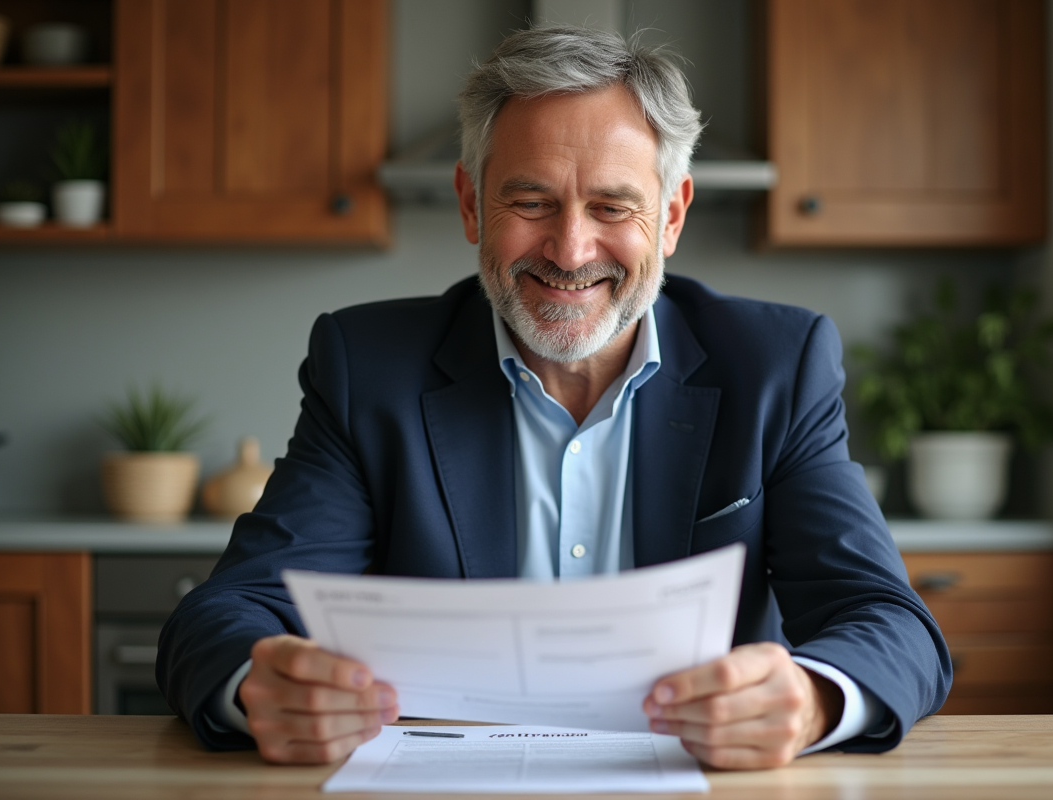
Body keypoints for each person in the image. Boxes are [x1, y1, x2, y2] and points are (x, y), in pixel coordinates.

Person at [157, 26, 951, 770]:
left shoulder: (776, 368)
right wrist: (258, 684)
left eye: (612, 206)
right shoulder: (367, 367)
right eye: (531, 202)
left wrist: (812, 700)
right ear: (472, 205)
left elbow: (892, 626)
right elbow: (225, 615)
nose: (570, 250)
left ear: (671, 216)